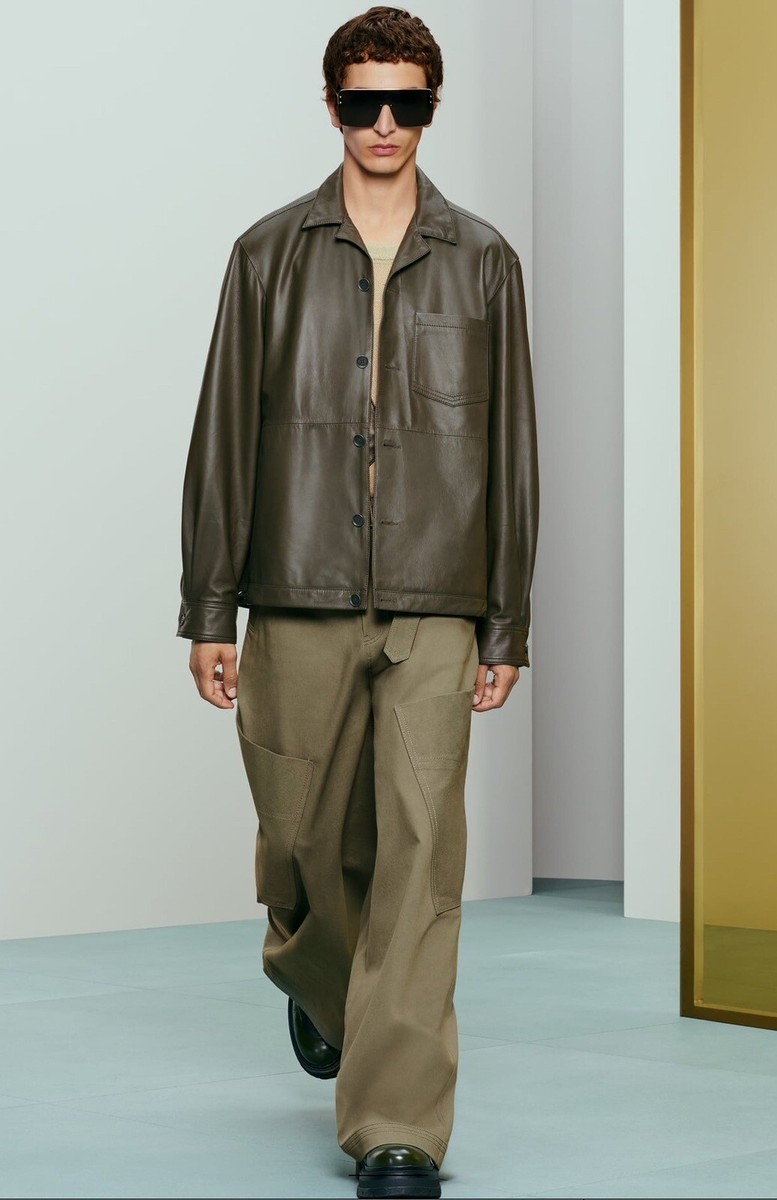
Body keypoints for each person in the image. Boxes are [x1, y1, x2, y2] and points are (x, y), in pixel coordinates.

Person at [176, 6, 539, 1197]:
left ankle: (397, 1129)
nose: (386, 123)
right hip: (295, 589)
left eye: (408, 103)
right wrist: (210, 605)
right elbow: (224, 435)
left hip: (439, 598)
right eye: (364, 102)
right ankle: (321, 984)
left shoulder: (483, 261)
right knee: (299, 845)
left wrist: (506, 620)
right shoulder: (267, 255)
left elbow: (514, 449)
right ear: (331, 106)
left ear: (433, 110)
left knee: (422, 858)